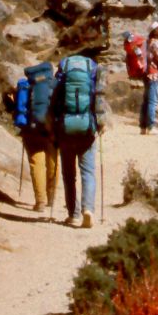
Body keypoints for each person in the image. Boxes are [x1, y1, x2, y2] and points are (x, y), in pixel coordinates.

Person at [50, 52, 108, 228]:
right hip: (87, 128)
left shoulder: (63, 69)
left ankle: (73, 215)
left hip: (66, 129)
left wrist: (53, 128)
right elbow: (100, 99)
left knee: (69, 175)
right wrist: (101, 124)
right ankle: (88, 209)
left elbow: (53, 101)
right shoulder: (93, 69)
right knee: (88, 172)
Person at [15, 63, 58, 215]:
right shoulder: (54, 84)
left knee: (36, 164)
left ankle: (40, 201)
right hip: (51, 130)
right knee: (52, 161)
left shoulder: (26, 85)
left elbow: (19, 108)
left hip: (31, 130)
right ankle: (51, 196)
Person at [140, 21, 158, 135]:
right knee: (152, 102)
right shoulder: (155, 43)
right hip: (153, 75)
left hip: (147, 74)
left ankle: (143, 127)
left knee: (146, 102)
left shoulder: (147, 43)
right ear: (155, 31)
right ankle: (151, 127)